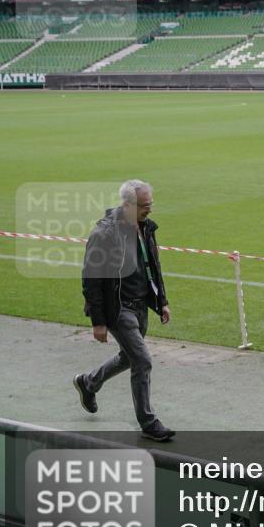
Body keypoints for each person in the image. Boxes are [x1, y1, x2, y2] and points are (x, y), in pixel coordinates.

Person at [74, 179, 175, 441]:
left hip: (141, 306)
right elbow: (91, 278)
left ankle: (88, 382)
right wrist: (98, 321)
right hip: (119, 310)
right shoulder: (105, 233)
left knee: (129, 357)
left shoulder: (145, 228)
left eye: (151, 203)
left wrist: (161, 300)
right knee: (142, 360)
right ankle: (149, 422)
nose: (150, 209)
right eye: (144, 205)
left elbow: (153, 266)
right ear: (127, 204)